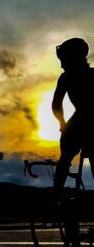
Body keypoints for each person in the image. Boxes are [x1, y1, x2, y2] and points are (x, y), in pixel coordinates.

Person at [52, 37, 94, 198]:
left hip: (80, 121)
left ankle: (56, 194)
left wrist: (62, 123)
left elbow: (56, 105)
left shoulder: (66, 78)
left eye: (63, 60)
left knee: (64, 160)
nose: (61, 64)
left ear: (72, 58)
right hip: (87, 122)